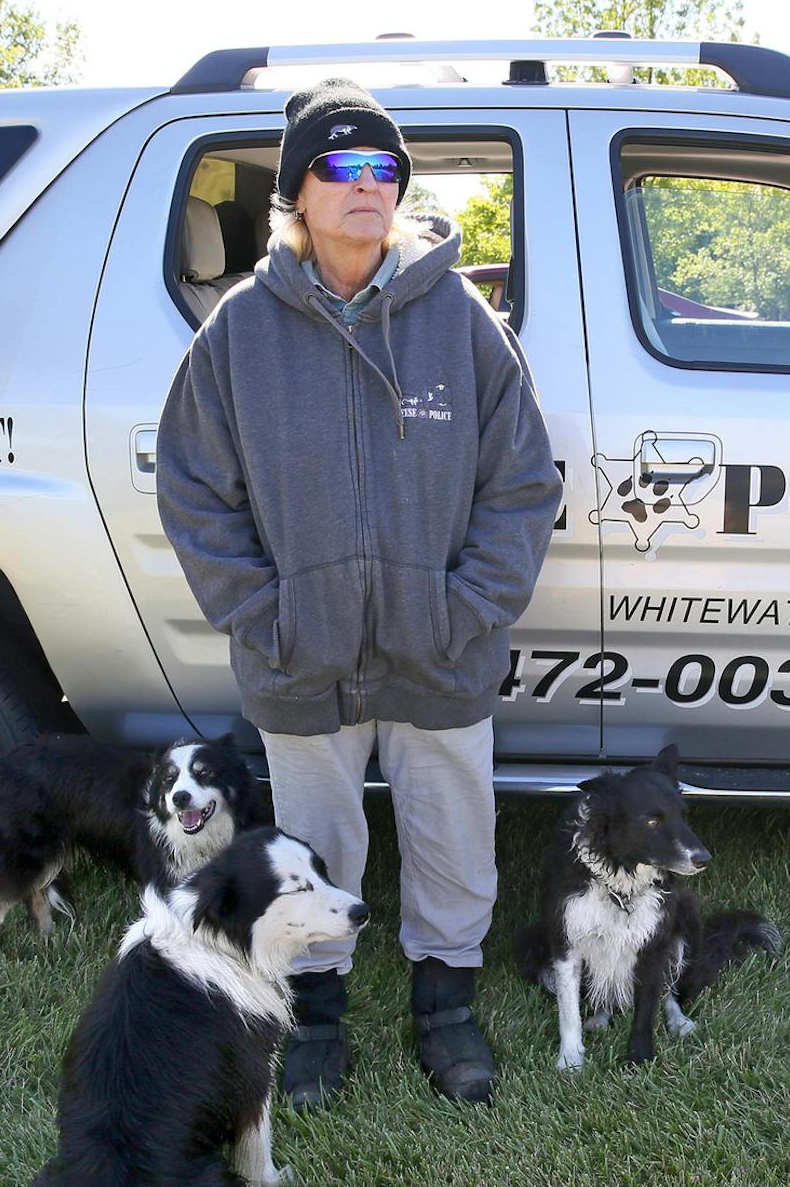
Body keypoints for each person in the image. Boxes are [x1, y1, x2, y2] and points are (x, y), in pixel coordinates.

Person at [154, 79, 562, 1108]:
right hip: (304, 654)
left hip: (440, 648)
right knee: (315, 840)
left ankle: (446, 1004)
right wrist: (269, 617)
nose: (367, 184)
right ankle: (320, 1016)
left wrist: (466, 608)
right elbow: (195, 490)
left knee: (453, 834)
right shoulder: (243, 331)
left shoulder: (456, 316)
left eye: (386, 167)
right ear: (297, 193)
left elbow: (522, 481)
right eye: (340, 166)